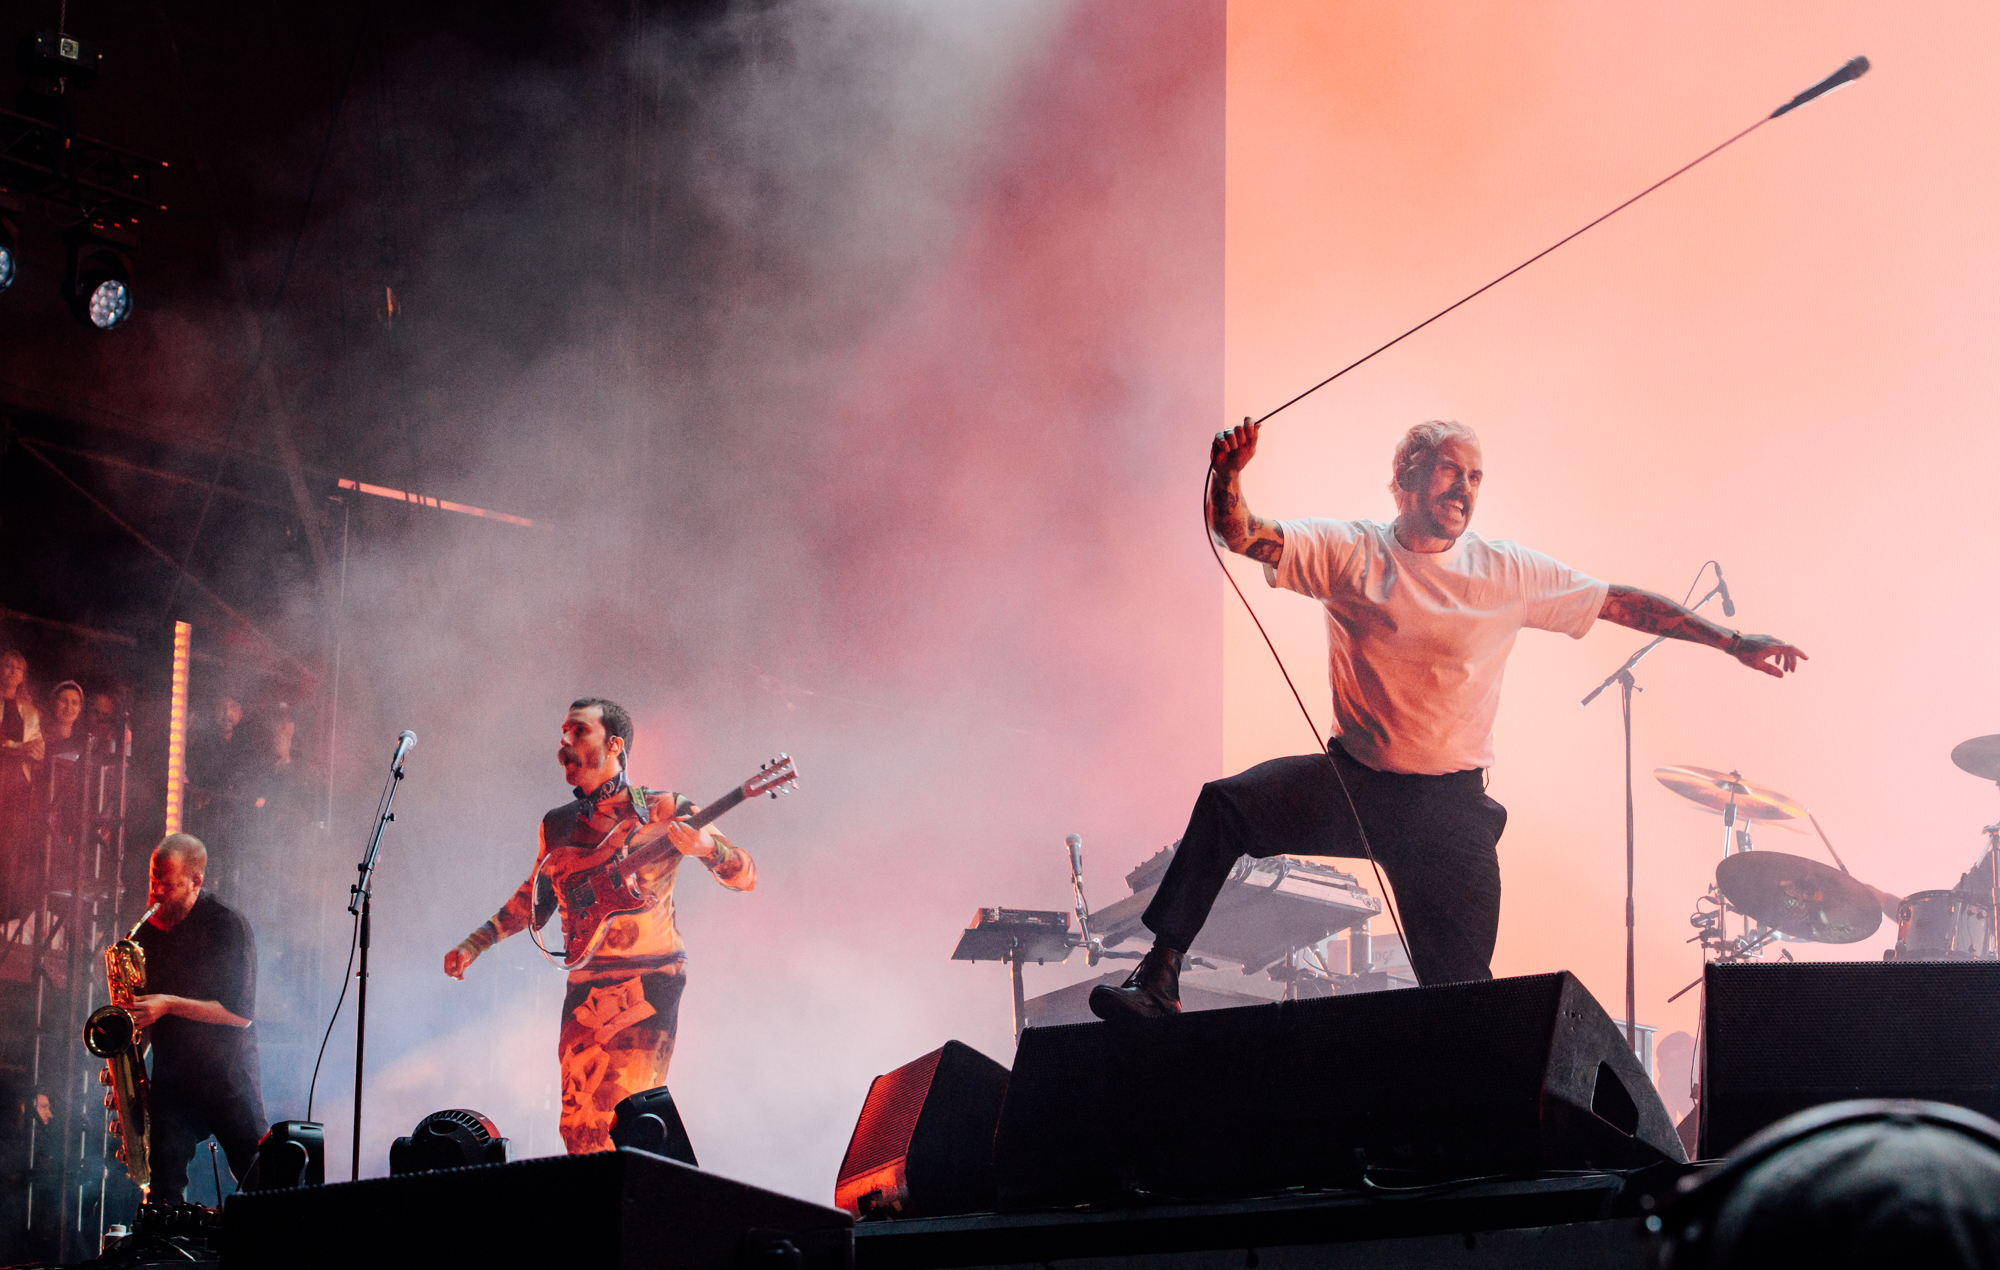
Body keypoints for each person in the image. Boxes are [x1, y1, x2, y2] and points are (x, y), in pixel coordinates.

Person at [1091, 419, 1807, 1021]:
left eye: (1475, 478)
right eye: (1449, 472)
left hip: (1449, 811)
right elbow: (1240, 533)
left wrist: (1731, 640)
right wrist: (1226, 475)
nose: (1464, 489)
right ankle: (1159, 976)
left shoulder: (1505, 572)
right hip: (1357, 786)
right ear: (1406, 475)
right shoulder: (1350, 552)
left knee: (1458, 996)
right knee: (1226, 806)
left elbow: (1619, 602)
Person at [443, 697, 756, 1152]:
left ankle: (640, 1216)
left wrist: (709, 848)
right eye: (562, 734)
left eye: (578, 731)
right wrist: (476, 943)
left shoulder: (665, 808)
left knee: (626, 1114)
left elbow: (745, 875)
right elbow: (534, 899)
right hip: (585, 983)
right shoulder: (557, 825)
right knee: (577, 1123)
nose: (564, 744)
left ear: (614, 745)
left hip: (647, 979)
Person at [127, 833, 265, 1201]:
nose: (156, 892)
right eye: (153, 881)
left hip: (227, 1077)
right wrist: (129, 1074)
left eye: (167, 885)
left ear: (196, 882)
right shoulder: (146, 935)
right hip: (173, 1080)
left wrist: (168, 1004)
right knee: (164, 1190)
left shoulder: (227, 926)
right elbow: (143, 1016)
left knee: (261, 1179)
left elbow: (239, 1015)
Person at [0, 651, 44, 920]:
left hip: (19, 786)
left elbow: (37, 747)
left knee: (14, 847)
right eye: (7, 665)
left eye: (18, 667)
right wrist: (19, 749)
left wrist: (34, 752)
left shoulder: (29, 711)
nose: (12, 671)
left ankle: (9, 911)